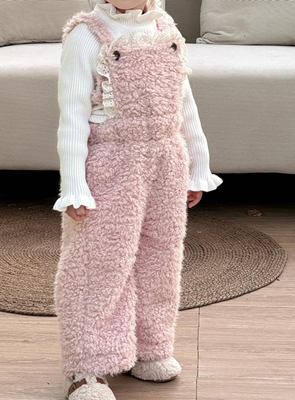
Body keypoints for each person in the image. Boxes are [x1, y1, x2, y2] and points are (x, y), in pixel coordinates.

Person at [53, 1, 222, 398]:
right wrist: (74, 185)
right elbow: (72, 114)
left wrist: (198, 165)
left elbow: (184, 103)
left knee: (160, 258)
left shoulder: (165, 28)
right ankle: (87, 366)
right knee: (99, 262)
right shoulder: (86, 35)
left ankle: (149, 347)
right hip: (113, 162)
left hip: (166, 158)